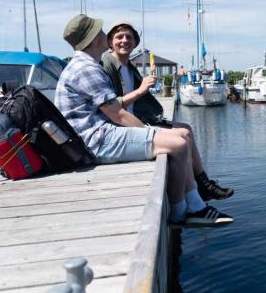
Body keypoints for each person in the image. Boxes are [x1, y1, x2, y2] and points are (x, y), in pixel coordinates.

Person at [55, 14, 233, 226]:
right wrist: (152, 132)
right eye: (102, 32)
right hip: (96, 141)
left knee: (180, 137)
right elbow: (117, 114)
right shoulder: (87, 68)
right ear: (94, 39)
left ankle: (196, 203)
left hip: (95, 136)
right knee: (177, 144)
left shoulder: (83, 64)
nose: (106, 35)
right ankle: (181, 214)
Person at [100, 21, 233, 201]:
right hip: (122, 126)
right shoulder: (107, 64)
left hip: (138, 118)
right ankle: (194, 193)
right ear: (110, 42)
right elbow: (112, 107)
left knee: (187, 128)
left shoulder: (129, 66)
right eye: (119, 37)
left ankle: (203, 183)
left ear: (135, 42)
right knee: (181, 136)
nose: (124, 41)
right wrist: (141, 90)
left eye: (129, 37)